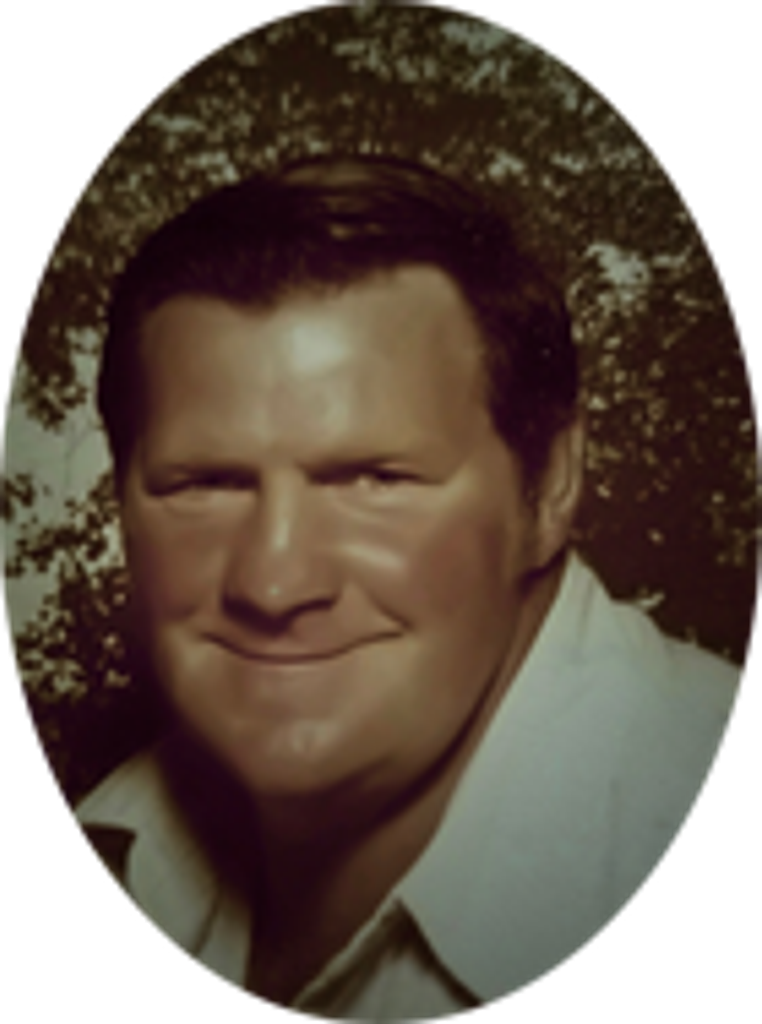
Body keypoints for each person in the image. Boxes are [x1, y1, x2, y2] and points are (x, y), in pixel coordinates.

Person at [70, 154, 745, 1019]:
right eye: (205, 484)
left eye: (372, 479)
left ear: (549, 486)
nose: (273, 584)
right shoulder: (118, 846)